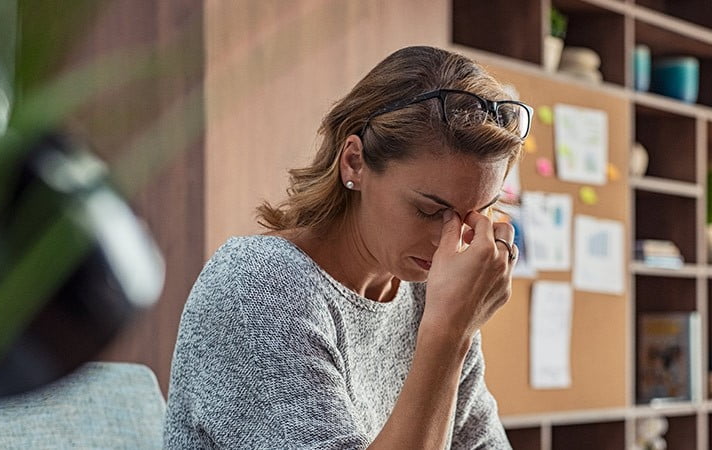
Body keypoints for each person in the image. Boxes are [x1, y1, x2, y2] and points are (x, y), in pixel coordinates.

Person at [163, 45, 533, 449]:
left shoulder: (431, 296)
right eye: (430, 210)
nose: (452, 242)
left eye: (476, 213)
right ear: (354, 162)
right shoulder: (258, 288)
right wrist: (449, 334)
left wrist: (451, 329)